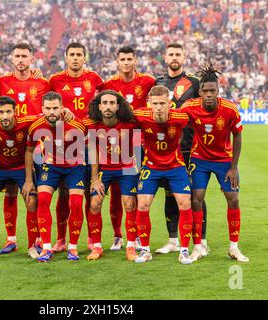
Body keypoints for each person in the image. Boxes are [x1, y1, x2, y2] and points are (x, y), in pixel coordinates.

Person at [181, 60, 249, 262]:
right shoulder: (190, 107)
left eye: (213, 90)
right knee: (196, 199)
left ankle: (234, 248)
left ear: (218, 90)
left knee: (233, 199)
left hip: (224, 161)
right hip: (199, 159)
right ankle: (198, 246)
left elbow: (237, 135)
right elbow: (174, 122)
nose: (209, 94)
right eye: (205, 91)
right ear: (199, 91)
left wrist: (234, 167)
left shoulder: (229, 109)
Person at [0, 43, 50, 254]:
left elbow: (53, 106)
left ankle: (37, 241)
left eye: (24, 56)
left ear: (32, 58)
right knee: (10, 191)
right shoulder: (1, 82)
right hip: (12, 146)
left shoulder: (43, 83)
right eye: (17, 56)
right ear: (11, 58)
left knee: (37, 194)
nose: (21, 59)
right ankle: (11, 239)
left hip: (38, 147)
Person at [49, 42, 104, 252]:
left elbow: (107, 100)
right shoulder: (54, 80)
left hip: (89, 141)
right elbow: (45, 103)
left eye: (78, 54)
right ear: (66, 57)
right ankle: (61, 240)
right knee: (64, 193)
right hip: (64, 144)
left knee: (91, 191)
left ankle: (92, 239)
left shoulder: (94, 79)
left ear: (84, 57)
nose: (75, 58)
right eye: (71, 54)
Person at [155, 43, 209, 256]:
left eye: (178, 54)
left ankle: (201, 240)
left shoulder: (194, 83)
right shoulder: (157, 83)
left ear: (184, 57)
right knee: (170, 195)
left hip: (190, 149)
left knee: (196, 195)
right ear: (165, 58)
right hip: (166, 151)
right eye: (171, 54)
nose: (174, 57)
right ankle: (172, 240)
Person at [102, 46, 156, 251]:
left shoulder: (148, 81)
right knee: (116, 193)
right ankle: (118, 236)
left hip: (140, 145)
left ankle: (139, 236)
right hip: (116, 145)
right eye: (122, 59)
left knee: (136, 193)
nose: (125, 62)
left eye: (129, 59)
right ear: (117, 61)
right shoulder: (109, 84)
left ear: (135, 61)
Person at [22, 91, 87, 262]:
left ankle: (72, 248)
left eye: (55, 108)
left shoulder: (76, 125)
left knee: (76, 203)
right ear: (42, 109)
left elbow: (91, 148)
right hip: (50, 165)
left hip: (75, 167)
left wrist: (94, 178)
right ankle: (46, 248)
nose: (52, 112)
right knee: (42, 200)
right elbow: (29, 151)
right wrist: (29, 180)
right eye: (48, 108)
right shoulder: (36, 125)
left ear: (62, 108)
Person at [133, 85, 194, 264]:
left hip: (176, 166)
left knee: (185, 203)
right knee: (142, 205)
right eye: (155, 103)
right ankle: (145, 250)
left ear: (170, 104)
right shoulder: (140, 115)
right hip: (151, 167)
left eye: (162, 103)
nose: (158, 107)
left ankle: (184, 250)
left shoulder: (181, 117)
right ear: (149, 103)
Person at [0, 96, 42, 259]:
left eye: (8, 112)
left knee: (32, 200)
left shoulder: (26, 121)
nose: (5, 116)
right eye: (1, 112)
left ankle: (32, 246)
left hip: (21, 168)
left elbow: (47, 115)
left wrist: (66, 111)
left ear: (15, 112)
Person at [83, 90, 139, 261]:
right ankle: (97, 247)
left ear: (117, 106)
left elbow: (137, 146)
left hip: (127, 168)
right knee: (94, 203)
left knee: (129, 203)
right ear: (99, 106)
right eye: (105, 103)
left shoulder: (131, 123)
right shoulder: (92, 125)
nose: (108, 106)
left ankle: (131, 246)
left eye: (111, 103)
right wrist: (94, 179)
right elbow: (93, 153)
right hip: (104, 170)